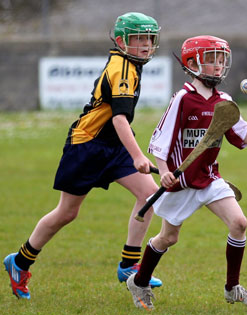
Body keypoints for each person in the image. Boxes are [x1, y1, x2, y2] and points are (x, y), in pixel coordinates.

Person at [3, 12, 164, 300]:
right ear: (120, 41)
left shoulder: (130, 64)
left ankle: (128, 265)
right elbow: (118, 119)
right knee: (67, 212)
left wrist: (131, 153)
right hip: (86, 146)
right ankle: (20, 262)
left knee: (149, 194)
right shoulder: (123, 69)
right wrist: (138, 156)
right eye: (139, 39)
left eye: (149, 39)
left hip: (111, 147)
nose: (146, 45)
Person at [126, 35, 247, 311]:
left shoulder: (224, 101)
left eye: (222, 60)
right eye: (212, 60)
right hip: (181, 182)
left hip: (210, 178)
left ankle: (232, 288)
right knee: (168, 238)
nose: (219, 66)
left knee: (239, 223)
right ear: (193, 63)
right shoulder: (183, 99)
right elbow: (160, 141)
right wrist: (163, 171)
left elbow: (244, 138)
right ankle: (139, 281)